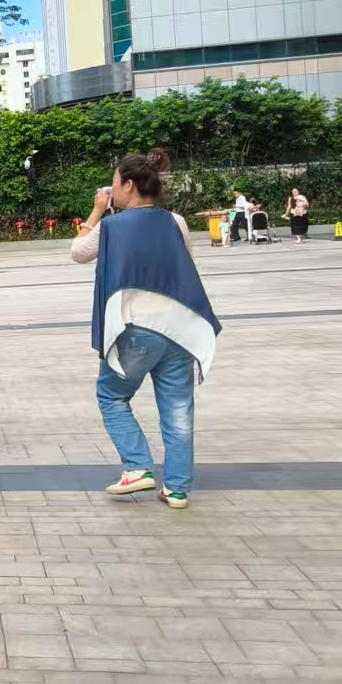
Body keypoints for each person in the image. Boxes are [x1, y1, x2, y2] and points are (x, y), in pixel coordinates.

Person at [73, 151, 220, 510]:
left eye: (114, 182)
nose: (111, 190)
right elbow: (185, 263)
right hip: (180, 329)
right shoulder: (176, 221)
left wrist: (96, 212)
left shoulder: (110, 227)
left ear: (128, 184)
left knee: (112, 396)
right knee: (178, 408)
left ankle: (137, 466)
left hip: (136, 328)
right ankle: (177, 489)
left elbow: (78, 252)